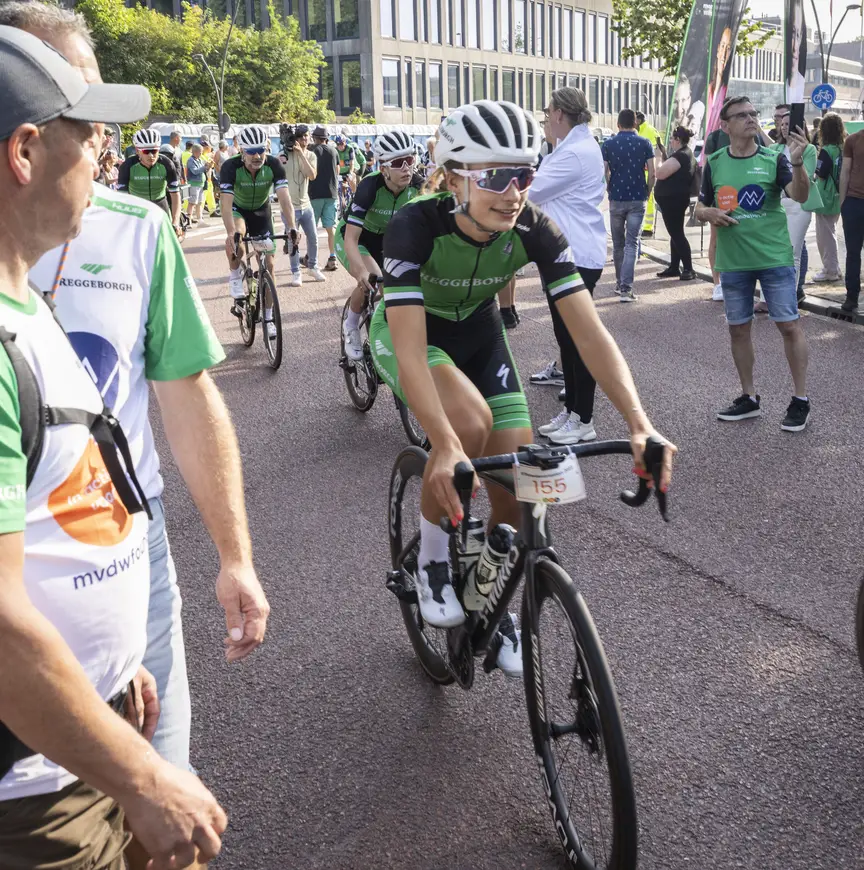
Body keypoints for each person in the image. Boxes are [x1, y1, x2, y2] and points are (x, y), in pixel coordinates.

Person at [0, 23, 229, 869]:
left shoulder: (24, 298)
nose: (104, 151)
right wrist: (141, 774)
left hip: (80, 735)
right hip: (35, 789)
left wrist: (110, 668)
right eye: (86, 130)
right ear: (26, 151)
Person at [368, 99, 676, 675]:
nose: (513, 193)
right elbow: (410, 351)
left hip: (479, 334)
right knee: (468, 424)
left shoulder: (535, 227)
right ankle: (433, 559)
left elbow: (590, 332)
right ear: (454, 179)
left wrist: (640, 423)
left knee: (517, 483)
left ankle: (490, 592)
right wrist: (444, 444)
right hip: (413, 334)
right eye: (495, 177)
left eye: (524, 175)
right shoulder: (415, 224)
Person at [696, 96, 813, 432]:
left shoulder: (774, 158)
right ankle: (749, 397)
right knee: (738, 328)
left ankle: (800, 400)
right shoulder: (715, 162)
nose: (751, 118)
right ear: (725, 125)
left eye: (753, 113)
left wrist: (798, 164)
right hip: (734, 262)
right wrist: (709, 213)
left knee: (789, 325)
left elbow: (801, 196)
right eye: (742, 115)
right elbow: (699, 208)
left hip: (774, 258)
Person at [529, 87, 607, 446]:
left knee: (578, 340)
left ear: (559, 113)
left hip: (575, 255)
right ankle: (574, 411)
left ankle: (583, 418)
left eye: (548, 113)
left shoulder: (574, 152)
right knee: (567, 338)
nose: (547, 119)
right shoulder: (574, 147)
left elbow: (531, 193)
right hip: (568, 254)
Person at [339, 130, 423, 361]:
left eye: (410, 160)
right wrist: (360, 271)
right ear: (383, 167)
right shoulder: (369, 187)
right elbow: (351, 239)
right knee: (373, 280)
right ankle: (351, 325)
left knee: (399, 288)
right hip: (356, 237)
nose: (406, 168)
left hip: (387, 239)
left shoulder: (419, 186)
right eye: (398, 163)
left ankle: (388, 336)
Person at [219, 124, 296, 336]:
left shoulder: (274, 165)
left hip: (262, 211)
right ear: (241, 151)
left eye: (261, 150)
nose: (257, 156)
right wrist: (230, 233)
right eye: (251, 151)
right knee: (238, 237)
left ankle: (269, 317)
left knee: (270, 265)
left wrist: (292, 226)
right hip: (238, 210)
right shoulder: (230, 167)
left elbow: (285, 199)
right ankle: (235, 276)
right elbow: (225, 204)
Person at [601, 108, 656, 302]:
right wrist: (648, 191)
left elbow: (604, 172)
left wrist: (609, 188)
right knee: (632, 243)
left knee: (618, 244)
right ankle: (626, 288)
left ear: (618, 124)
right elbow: (653, 172)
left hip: (616, 198)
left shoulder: (608, 144)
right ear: (635, 124)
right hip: (637, 198)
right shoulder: (645, 143)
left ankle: (618, 283)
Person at [771, 112, 821, 302]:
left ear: (800, 126)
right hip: (777, 204)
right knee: (774, 252)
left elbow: (806, 179)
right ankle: (768, 298)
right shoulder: (774, 148)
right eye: (782, 124)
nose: (784, 127)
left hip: (799, 205)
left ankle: (789, 298)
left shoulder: (809, 149)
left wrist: (798, 156)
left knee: (793, 252)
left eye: (788, 124)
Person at [281, 124, 325, 284]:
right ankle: (296, 272)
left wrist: (301, 154)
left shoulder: (311, 155)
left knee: (313, 238)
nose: (304, 139)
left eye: (306, 136)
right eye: (300, 137)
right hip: (289, 207)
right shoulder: (284, 155)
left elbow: (312, 175)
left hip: (306, 205)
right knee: (293, 241)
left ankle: (313, 267)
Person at [117, 127, 181, 234]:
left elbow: (175, 195)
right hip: (137, 207)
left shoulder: (167, 164)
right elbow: (122, 197)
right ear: (138, 151)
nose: (151, 155)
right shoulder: (127, 166)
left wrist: (175, 222)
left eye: (154, 151)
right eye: (146, 151)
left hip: (160, 204)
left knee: (167, 237)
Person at [654, 126, 697, 281]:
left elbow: (659, 173)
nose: (671, 141)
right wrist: (665, 154)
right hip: (675, 199)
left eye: (672, 139)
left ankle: (688, 269)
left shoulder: (681, 155)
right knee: (675, 233)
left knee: (677, 234)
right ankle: (674, 266)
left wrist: (658, 157)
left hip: (673, 200)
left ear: (678, 140)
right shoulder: (685, 154)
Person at [810, 113, 844, 284]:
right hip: (839, 195)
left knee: (825, 236)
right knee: (831, 232)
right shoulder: (842, 148)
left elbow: (820, 173)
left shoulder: (826, 150)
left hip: (825, 196)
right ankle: (834, 267)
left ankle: (830, 270)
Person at [839, 120, 864, 312]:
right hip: (854, 202)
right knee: (853, 252)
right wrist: (843, 203)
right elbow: (845, 171)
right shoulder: (853, 140)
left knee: (853, 253)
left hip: (854, 202)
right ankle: (851, 296)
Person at [308, 125, 340, 271]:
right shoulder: (334, 151)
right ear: (326, 138)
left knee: (312, 228)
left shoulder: (312, 150)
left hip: (315, 193)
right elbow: (337, 170)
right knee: (330, 228)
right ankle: (332, 257)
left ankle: (311, 258)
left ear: (315, 138)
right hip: (331, 193)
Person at [635, 111, 659, 234]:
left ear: (639, 120)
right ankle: (642, 226)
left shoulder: (649, 131)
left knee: (649, 199)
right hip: (641, 171)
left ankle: (648, 228)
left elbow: (656, 153)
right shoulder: (640, 131)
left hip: (647, 172)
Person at [184, 141, 207, 224]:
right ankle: (188, 221)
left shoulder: (199, 159)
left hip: (200, 184)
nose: (201, 154)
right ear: (195, 152)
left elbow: (202, 169)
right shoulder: (191, 160)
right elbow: (195, 171)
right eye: (200, 152)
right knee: (192, 203)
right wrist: (204, 167)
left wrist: (207, 167)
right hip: (194, 184)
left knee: (199, 202)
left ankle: (200, 219)